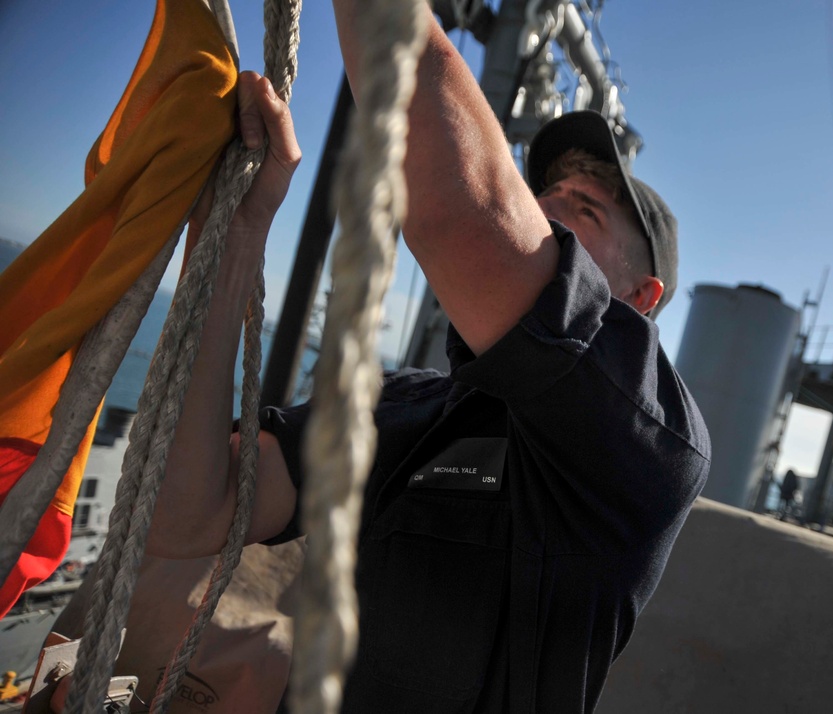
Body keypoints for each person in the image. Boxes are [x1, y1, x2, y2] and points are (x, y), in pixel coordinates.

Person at [149, 3, 710, 711]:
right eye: (543, 194)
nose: (545, 210)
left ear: (639, 297)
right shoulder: (406, 406)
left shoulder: (649, 445)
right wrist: (235, 238)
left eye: (585, 210)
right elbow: (190, 517)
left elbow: (465, 213)